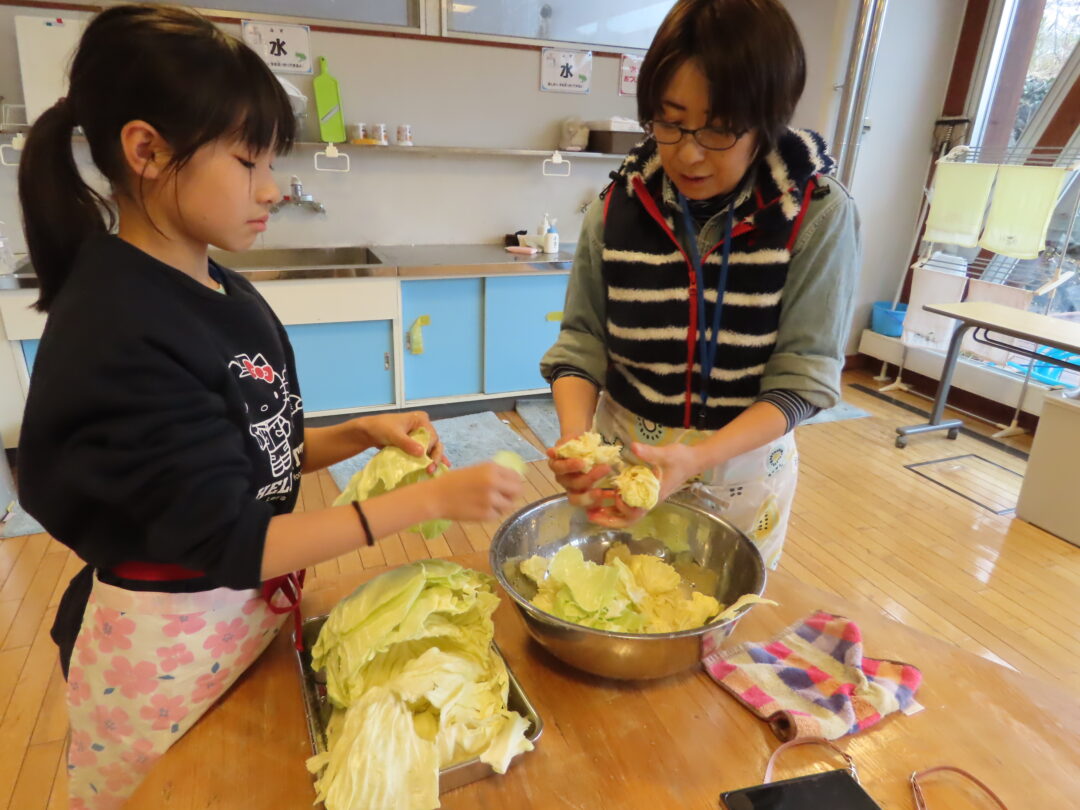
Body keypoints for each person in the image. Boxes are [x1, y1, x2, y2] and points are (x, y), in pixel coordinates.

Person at [15, 5, 523, 805]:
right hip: (167, 652)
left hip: (239, 619)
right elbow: (235, 539)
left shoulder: (213, 282)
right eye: (248, 160)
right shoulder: (120, 326)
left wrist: (357, 434)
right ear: (147, 151)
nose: (273, 188)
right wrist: (429, 502)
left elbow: (250, 449)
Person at [541, 0, 860, 569]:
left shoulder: (815, 215)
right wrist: (574, 440)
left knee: (716, 605)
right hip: (625, 456)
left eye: (719, 128)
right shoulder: (616, 207)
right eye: (669, 122)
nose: (687, 153)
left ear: (768, 120)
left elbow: (805, 376)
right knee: (612, 594)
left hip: (742, 469)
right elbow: (582, 341)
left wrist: (697, 456)